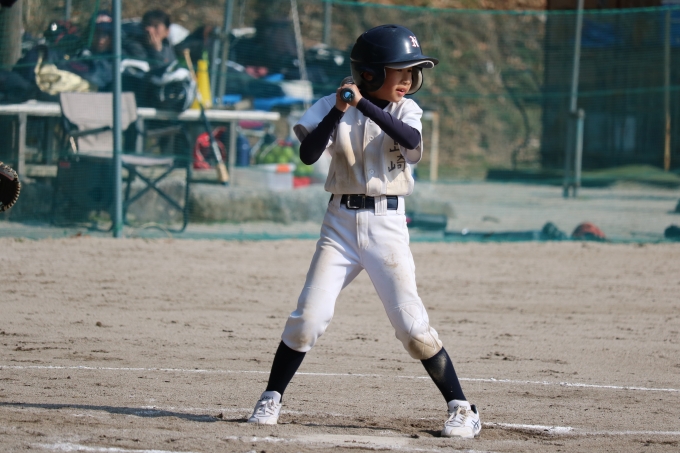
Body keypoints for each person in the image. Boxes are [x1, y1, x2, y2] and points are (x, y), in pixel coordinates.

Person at [246, 24, 482, 439]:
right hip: (339, 225)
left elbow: (410, 141)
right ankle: (271, 397)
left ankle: (462, 407)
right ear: (369, 73)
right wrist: (340, 108)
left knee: (412, 328)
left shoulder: (406, 109)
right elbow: (308, 154)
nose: (408, 79)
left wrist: (364, 105)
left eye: (412, 72)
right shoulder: (332, 103)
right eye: (399, 70)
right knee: (307, 319)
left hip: (387, 225)